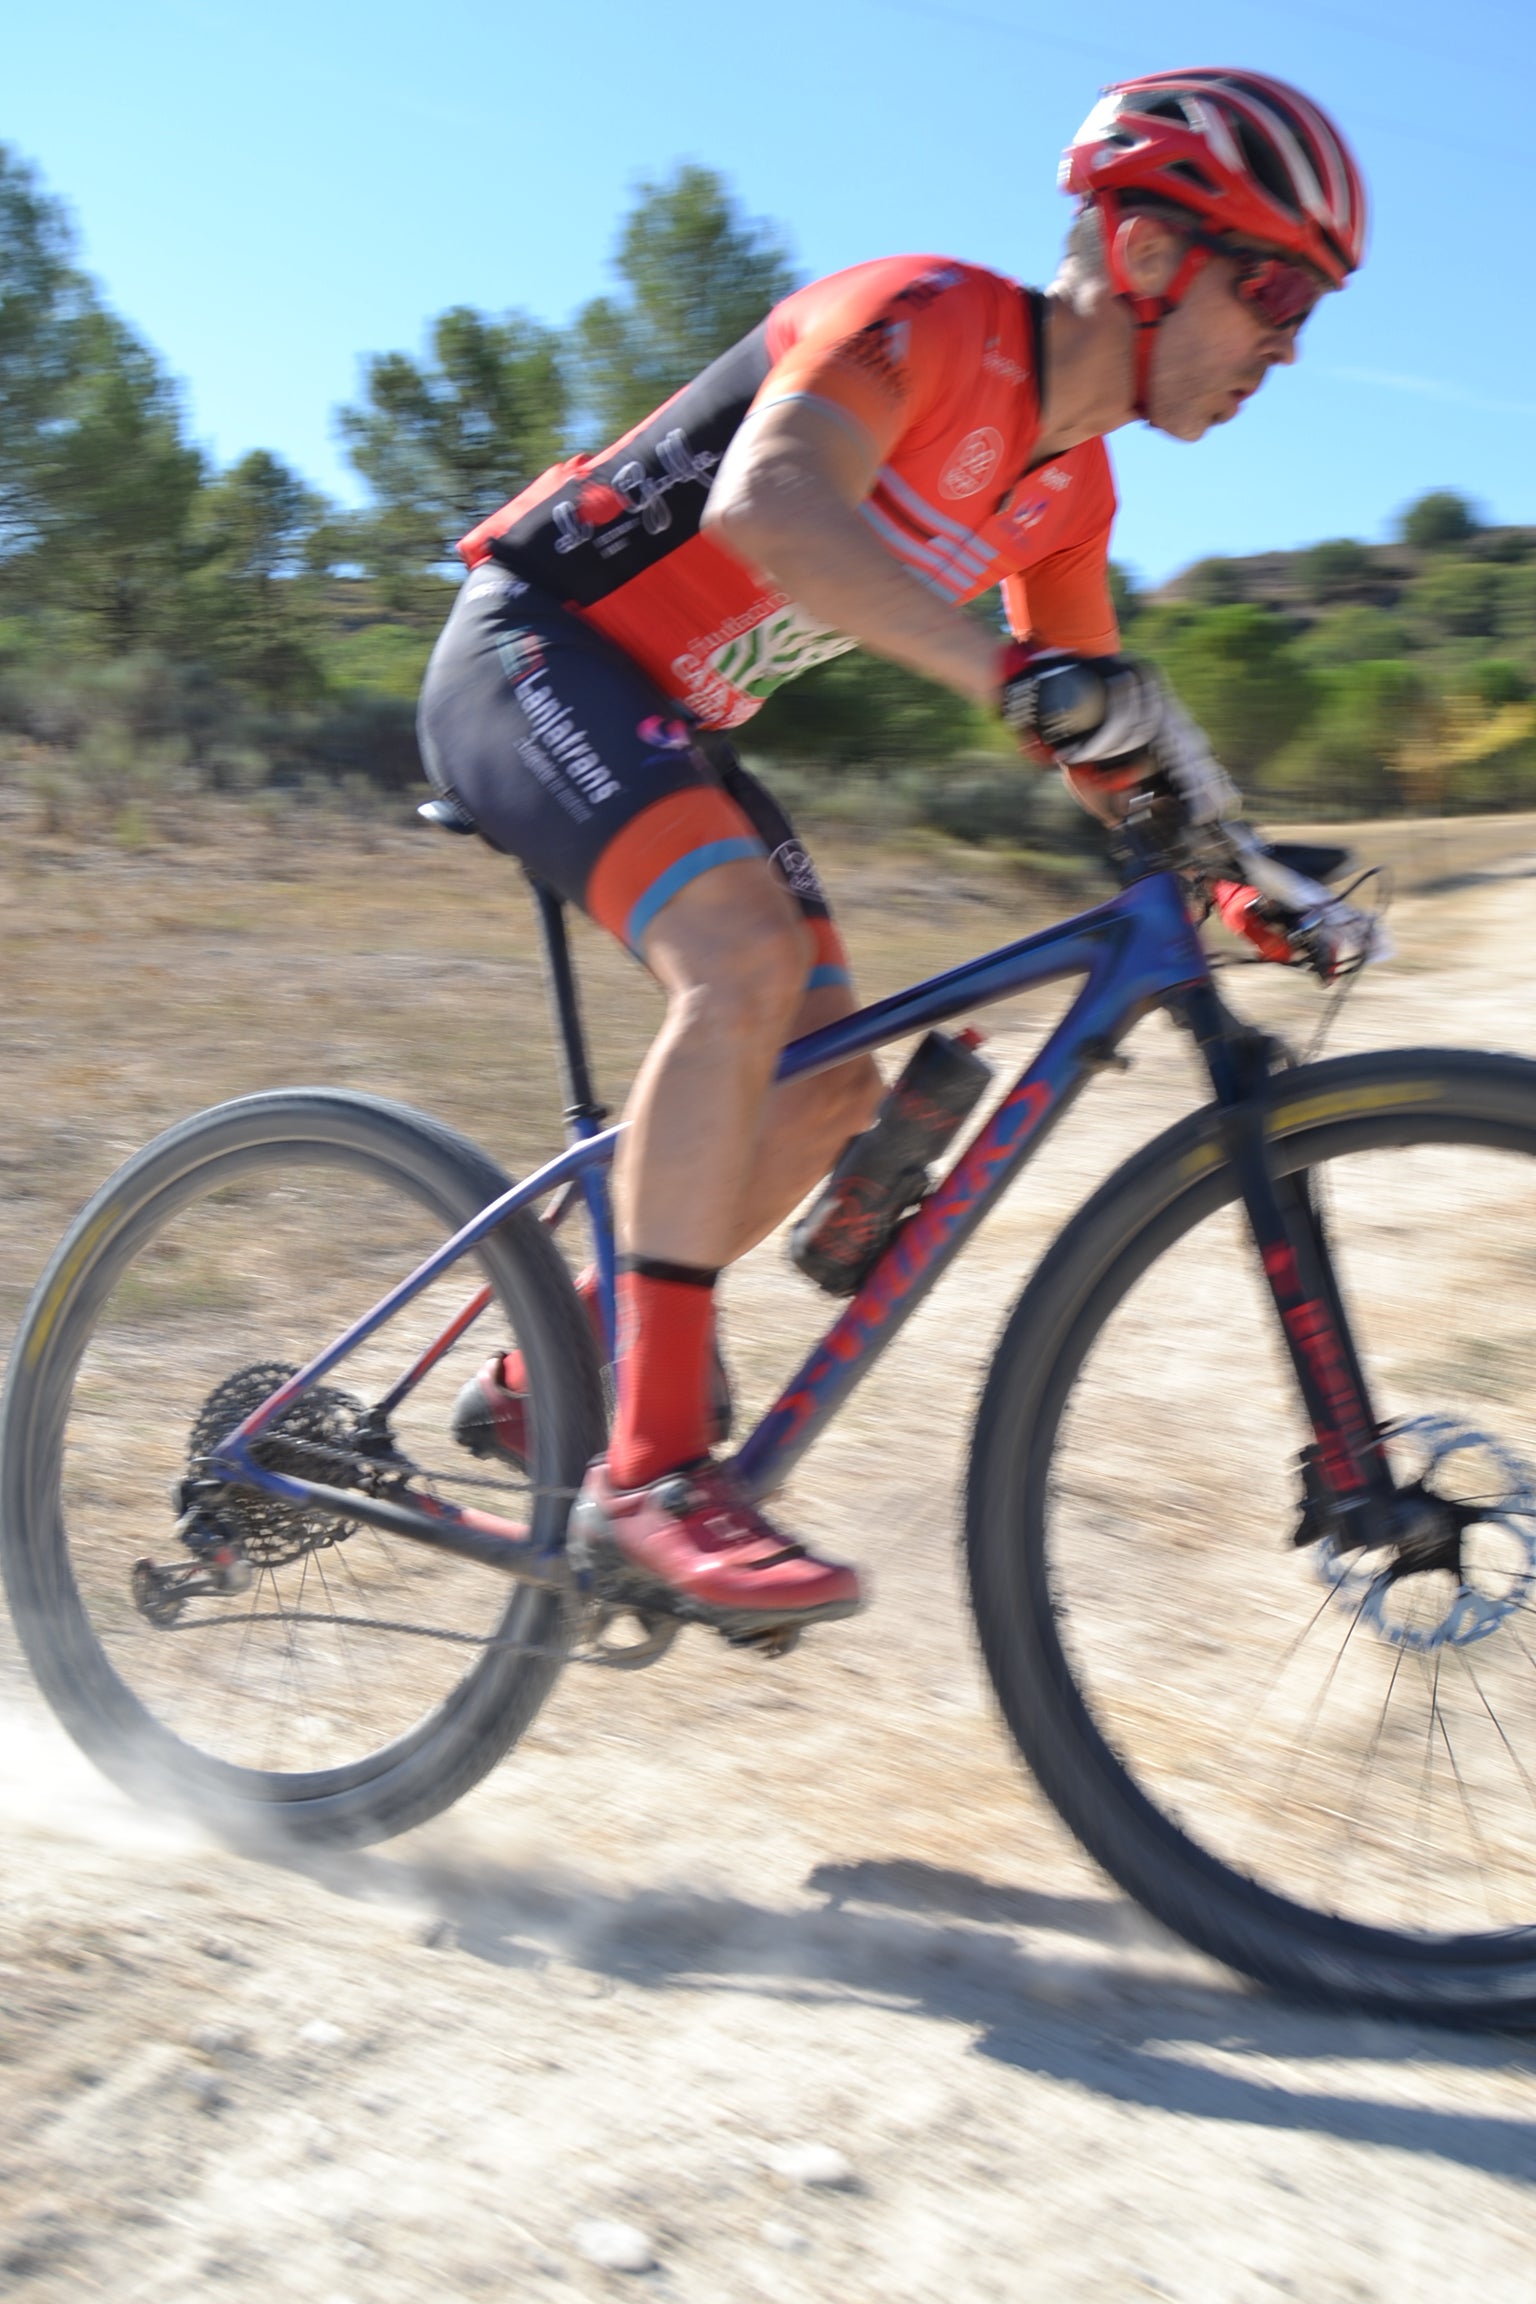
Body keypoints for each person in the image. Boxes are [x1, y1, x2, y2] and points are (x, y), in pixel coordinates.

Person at [418, 67, 1377, 1640]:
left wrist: (1232, 880)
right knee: (742, 963)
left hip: (667, 713)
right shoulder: (926, 318)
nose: (1286, 342)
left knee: (827, 1098)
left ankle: (560, 1366)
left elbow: (1089, 734)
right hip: (534, 650)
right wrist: (1011, 676)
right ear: (1142, 253)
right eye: (1272, 289)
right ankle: (653, 1477)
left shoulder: (1072, 489)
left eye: (1309, 310)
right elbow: (771, 503)